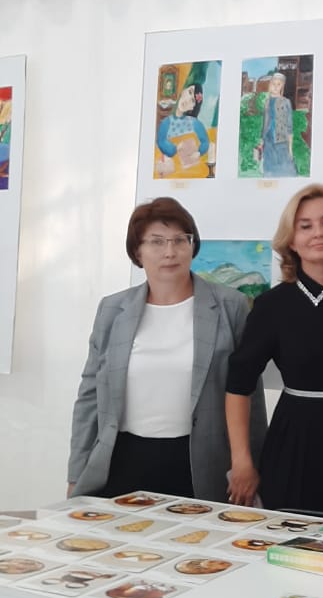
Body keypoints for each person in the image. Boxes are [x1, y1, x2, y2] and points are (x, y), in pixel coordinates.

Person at [68, 199, 267, 500]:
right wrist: (76, 475)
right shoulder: (112, 309)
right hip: (122, 459)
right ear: (138, 251)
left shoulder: (230, 305)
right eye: (157, 242)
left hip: (201, 463)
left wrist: (252, 465)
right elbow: (89, 397)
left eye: (180, 240)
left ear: (192, 245)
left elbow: (248, 394)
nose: (170, 252)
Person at [225, 183, 323, 514]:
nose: (318, 233)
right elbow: (238, 385)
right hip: (297, 441)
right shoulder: (272, 305)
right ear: (292, 240)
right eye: (306, 226)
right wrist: (241, 461)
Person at [156, 81, 210, 178]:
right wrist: (175, 148)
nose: (188, 100)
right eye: (189, 92)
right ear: (183, 91)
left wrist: (198, 153)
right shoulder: (166, 122)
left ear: (192, 107)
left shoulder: (195, 123)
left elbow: (205, 142)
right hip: (173, 168)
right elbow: (160, 141)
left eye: (192, 101)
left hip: (191, 167)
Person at [256, 71, 298, 178]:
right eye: (273, 84)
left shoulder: (286, 102)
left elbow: (289, 126)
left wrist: (290, 148)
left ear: (282, 86)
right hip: (268, 141)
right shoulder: (267, 102)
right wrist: (262, 141)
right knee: (269, 171)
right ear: (270, 85)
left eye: (278, 84)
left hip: (282, 141)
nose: (275, 87)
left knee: (286, 170)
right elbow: (265, 122)